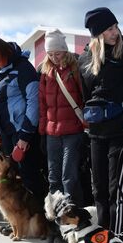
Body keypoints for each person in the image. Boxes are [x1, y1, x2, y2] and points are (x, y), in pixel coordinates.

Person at [79, 7, 123, 243]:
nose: (115, 33)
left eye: (115, 27)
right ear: (97, 34)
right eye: (108, 30)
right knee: (99, 190)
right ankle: (102, 240)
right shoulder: (85, 58)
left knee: (118, 191)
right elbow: (86, 95)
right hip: (96, 133)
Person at [0, 36, 44, 212]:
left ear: (4, 52)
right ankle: (18, 221)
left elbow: (34, 101)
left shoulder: (23, 68)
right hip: (5, 132)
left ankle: (44, 221)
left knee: (30, 177)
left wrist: (25, 134)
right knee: (12, 179)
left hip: (23, 131)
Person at [39, 29, 84, 204]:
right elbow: (42, 103)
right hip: (52, 132)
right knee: (53, 176)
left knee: (68, 176)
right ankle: (58, 217)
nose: (54, 57)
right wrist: (43, 130)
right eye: (50, 54)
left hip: (73, 130)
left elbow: (83, 97)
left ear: (65, 50)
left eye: (57, 53)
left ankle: (74, 215)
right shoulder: (45, 72)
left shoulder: (75, 68)